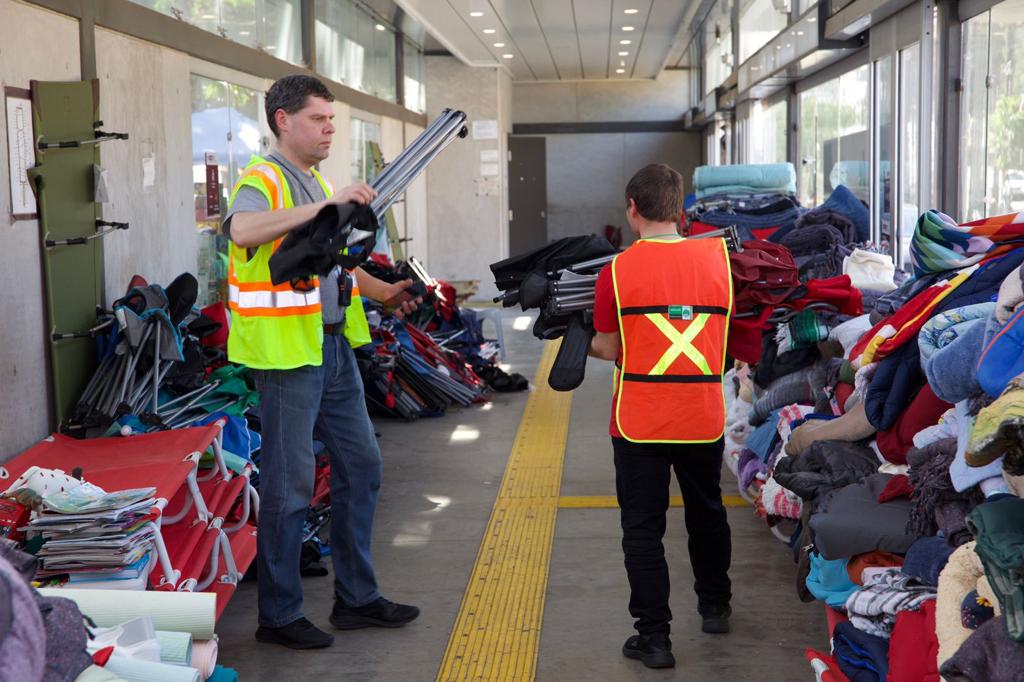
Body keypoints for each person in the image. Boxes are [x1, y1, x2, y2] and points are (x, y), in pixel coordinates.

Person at [224, 74, 421, 650]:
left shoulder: (311, 180)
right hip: (288, 356)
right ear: (283, 120)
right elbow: (241, 230)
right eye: (318, 118)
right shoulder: (264, 178)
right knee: (290, 486)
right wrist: (330, 204)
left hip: (329, 345)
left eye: (332, 119)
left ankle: (357, 599)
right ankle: (279, 614)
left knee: (362, 467)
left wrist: (383, 290)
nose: (329, 128)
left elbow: (326, 256)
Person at [589, 164, 734, 669]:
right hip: (701, 413)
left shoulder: (615, 271)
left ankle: (654, 639)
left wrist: (572, 335)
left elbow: (608, 348)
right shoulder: (720, 260)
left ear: (632, 207)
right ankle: (715, 605)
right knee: (707, 510)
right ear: (681, 210)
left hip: (640, 419)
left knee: (643, 528)